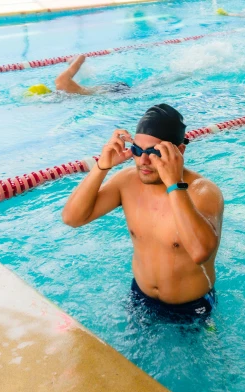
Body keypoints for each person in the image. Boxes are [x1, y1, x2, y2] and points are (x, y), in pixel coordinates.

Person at [62, 104, 224, 322]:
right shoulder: (127, 182)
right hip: (140, 297)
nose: (143, 161)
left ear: (179, 151)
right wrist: (102, 166)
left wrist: (174, 184)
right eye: (137, 151)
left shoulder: (203, 191)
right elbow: (72, 218)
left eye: (154, 153)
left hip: (193, 307)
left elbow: (199, 252)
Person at [27, 55, 129, 96]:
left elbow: (82, 57)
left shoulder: (61, 81)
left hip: (110, 89)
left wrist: (72, 61)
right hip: (102, 93)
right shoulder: (62, 97)